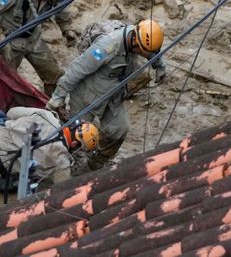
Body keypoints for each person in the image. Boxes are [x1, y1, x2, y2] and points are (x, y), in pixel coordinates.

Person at [47, 19, 165, 170]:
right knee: (76, 138)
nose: (143, 55)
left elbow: (149, 51)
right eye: (141, 51)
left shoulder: (138, 40)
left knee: (120, 129)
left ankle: (95, 164)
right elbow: (77, 69)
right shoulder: (107, 47)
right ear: (134, 40)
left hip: (113, 95)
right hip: (86, 97)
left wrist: (159, 64)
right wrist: (58, 97)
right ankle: (68, 168)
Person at [0, 108, 99, 191]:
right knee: (27, 180)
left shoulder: (47, 115)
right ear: (75, 143)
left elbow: (11, 113)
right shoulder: (62, 162)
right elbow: (61, 189)